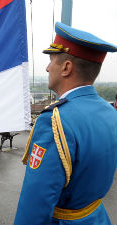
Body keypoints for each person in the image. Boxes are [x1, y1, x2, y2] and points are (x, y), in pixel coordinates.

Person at [14, 22, 117, 225]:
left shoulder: (53, 121)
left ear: (66, 68)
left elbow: (35, 204)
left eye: (51, 60)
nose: (47, 67)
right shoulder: (110, 112)